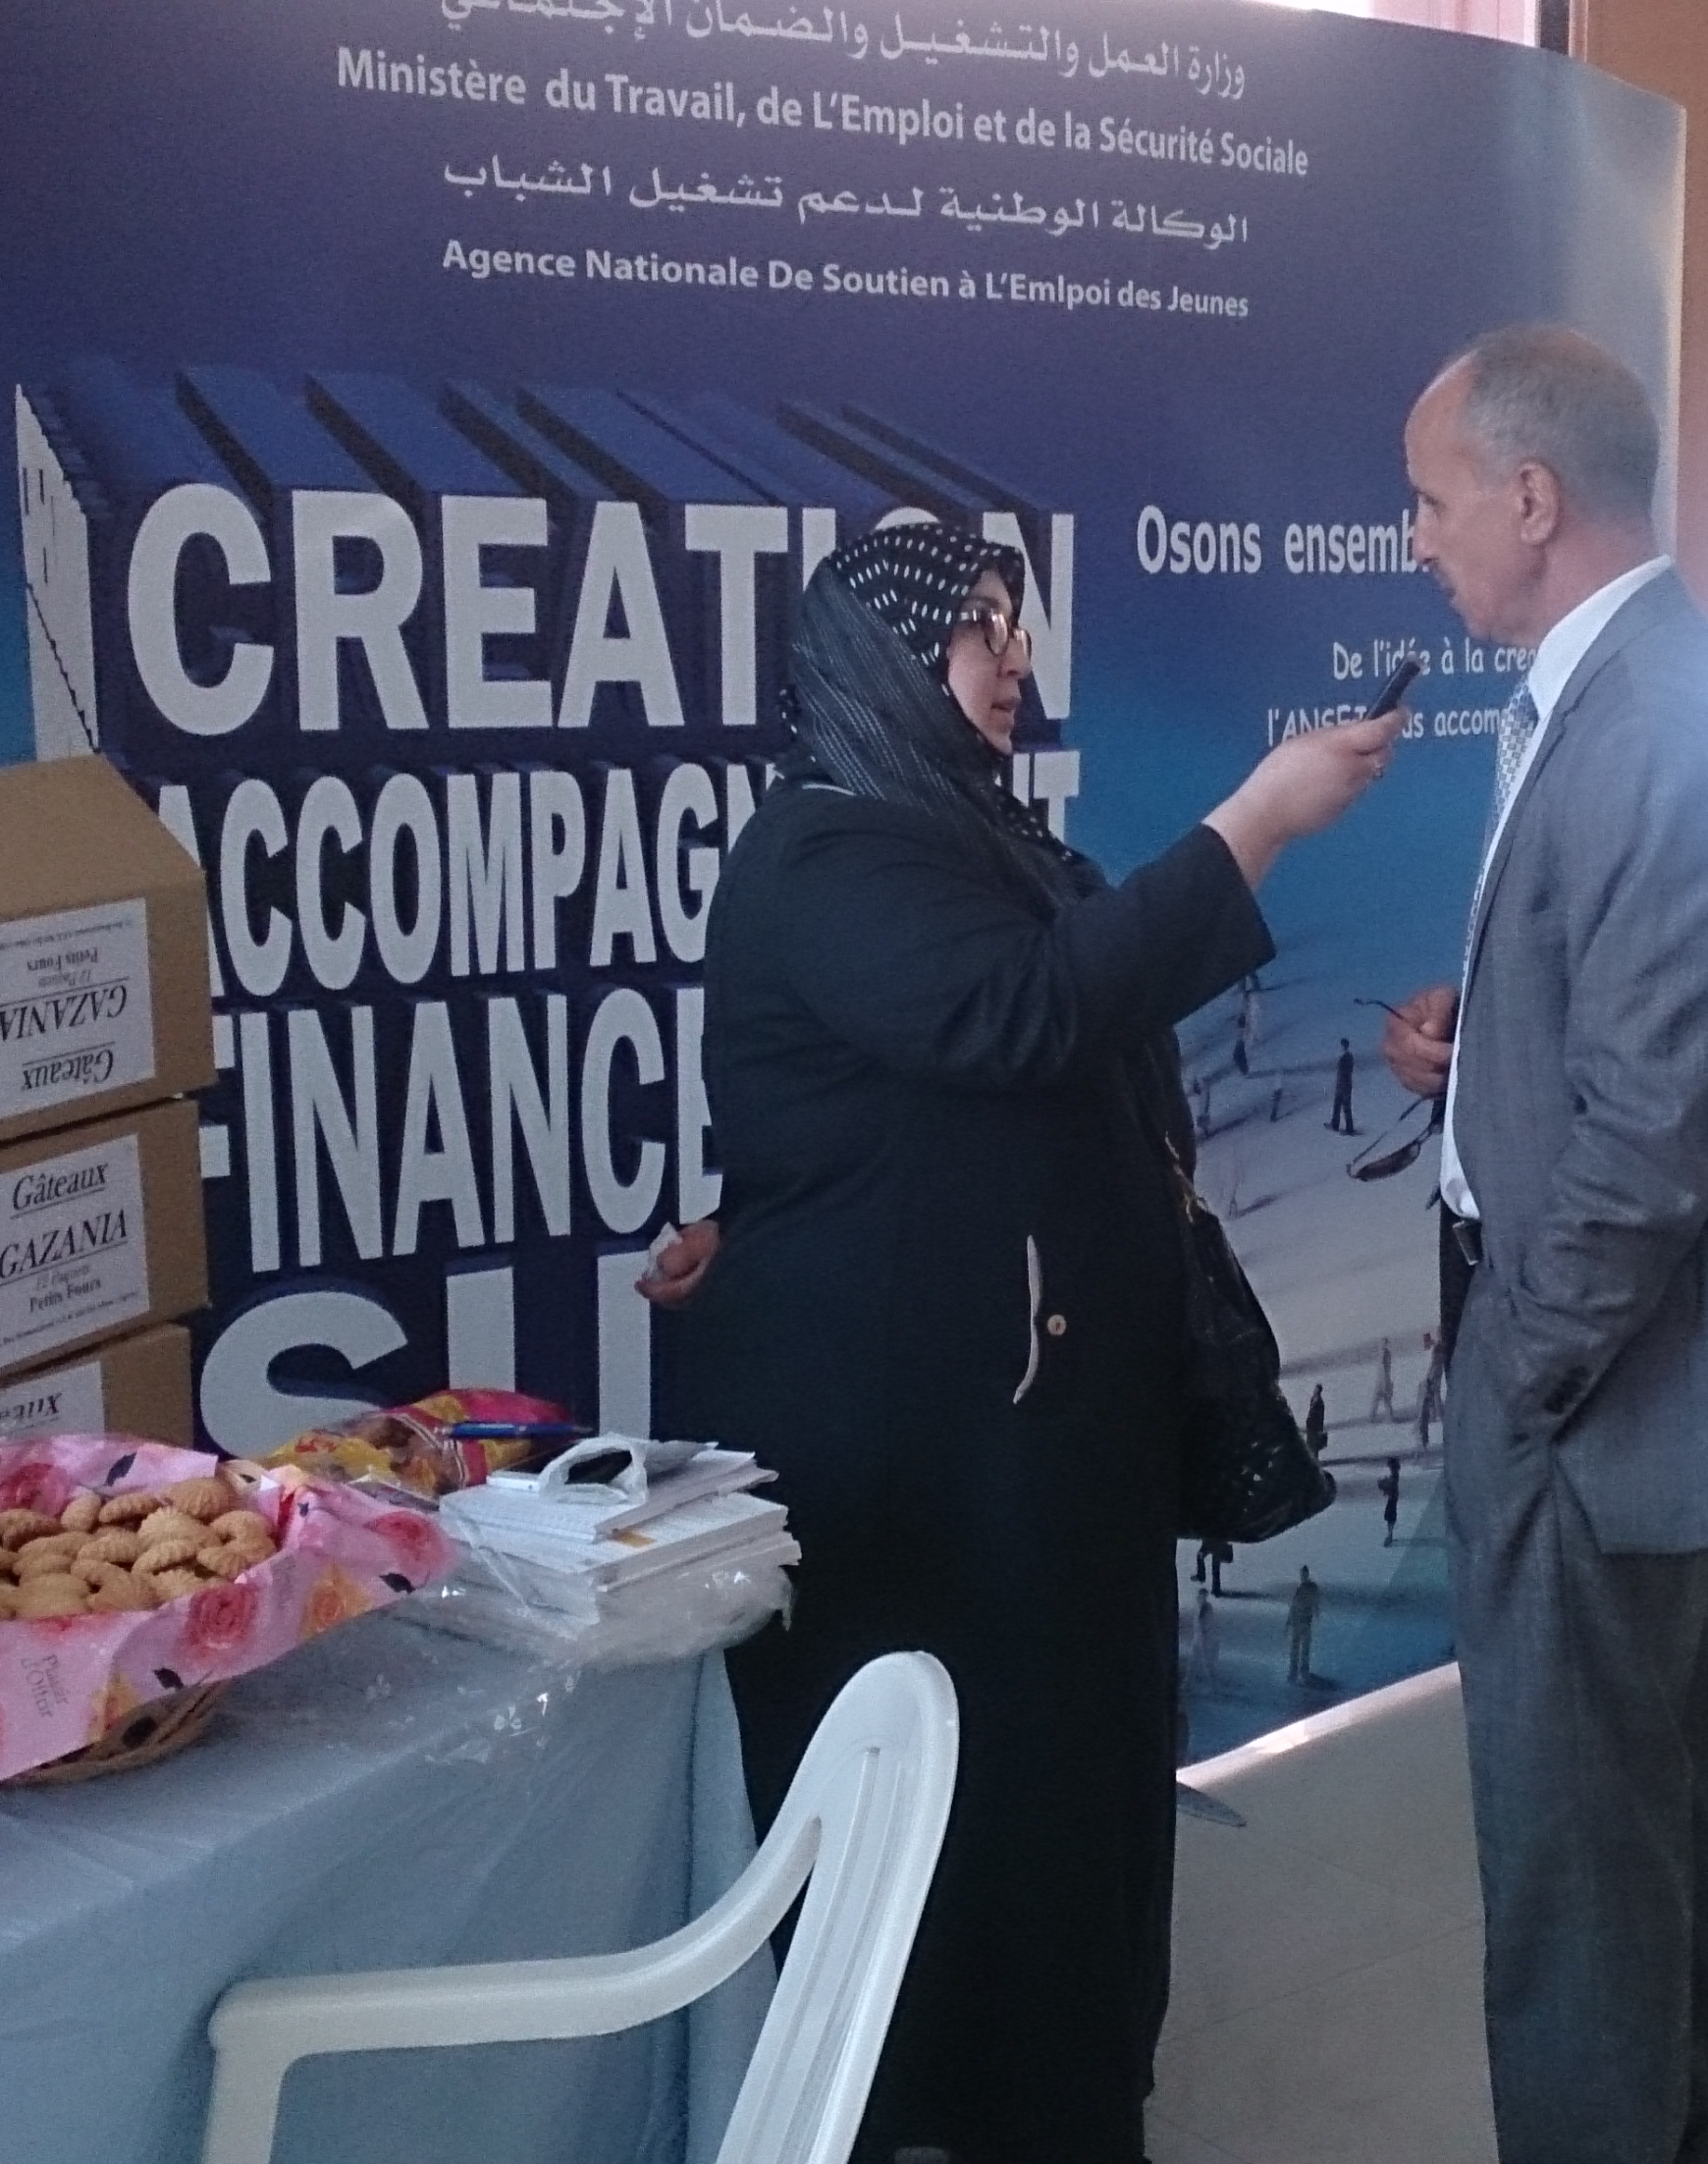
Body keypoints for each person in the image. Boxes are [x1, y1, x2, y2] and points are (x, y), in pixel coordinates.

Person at [691, 522, 1404, 2164]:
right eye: (977, 630)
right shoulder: (827, 854)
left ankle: (1059, 2101)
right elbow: (1024, 1011)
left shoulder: (973, 839)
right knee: (973, 1817)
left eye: (1017, 625)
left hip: (1030, 1447)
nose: (1014, 658)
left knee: (1068, 1803)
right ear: (884, 664)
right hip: (926, 1466)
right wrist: (1256, 822)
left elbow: (1061, 1009)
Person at [1380, 325, 1708, 2164]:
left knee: (1575, 1864)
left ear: (1530, 497)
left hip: (1601, 1390)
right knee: (1641, 1815)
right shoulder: (1626, 689)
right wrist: (1484, 1044)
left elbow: (1650, 1137)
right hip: (1611, 1375)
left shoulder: (1656, 716)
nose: (1418, 539)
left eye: (1432, 501)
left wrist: (1520, 1369)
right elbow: (1639, 1022)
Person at [1284, 1566, 1327, 1688]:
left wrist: (1316, 1611)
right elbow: (1294, 1606)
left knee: (1303, 1649)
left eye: (1304, 1574)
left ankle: (1301, 1671)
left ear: (1306, 1574)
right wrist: (1288, 1622)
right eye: (1302, 1574)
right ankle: (1295, 1671)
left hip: (1305, 1621)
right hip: (1298, 1622)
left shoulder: (1310, 1588)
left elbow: (1314, 1602)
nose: (1302, 1576)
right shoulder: (1302, 1588)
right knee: (1297, 1648)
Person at [1329, 1037, 1361, 1133]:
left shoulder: (1345, 1057)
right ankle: (1338, 1125)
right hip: (1343, 1085)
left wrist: (1342, 1084)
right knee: (1339, 1106)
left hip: (1344, 1085)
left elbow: (1345, 1072)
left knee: (1344, 1106)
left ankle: (1346, 1127)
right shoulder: (1346, 1056)